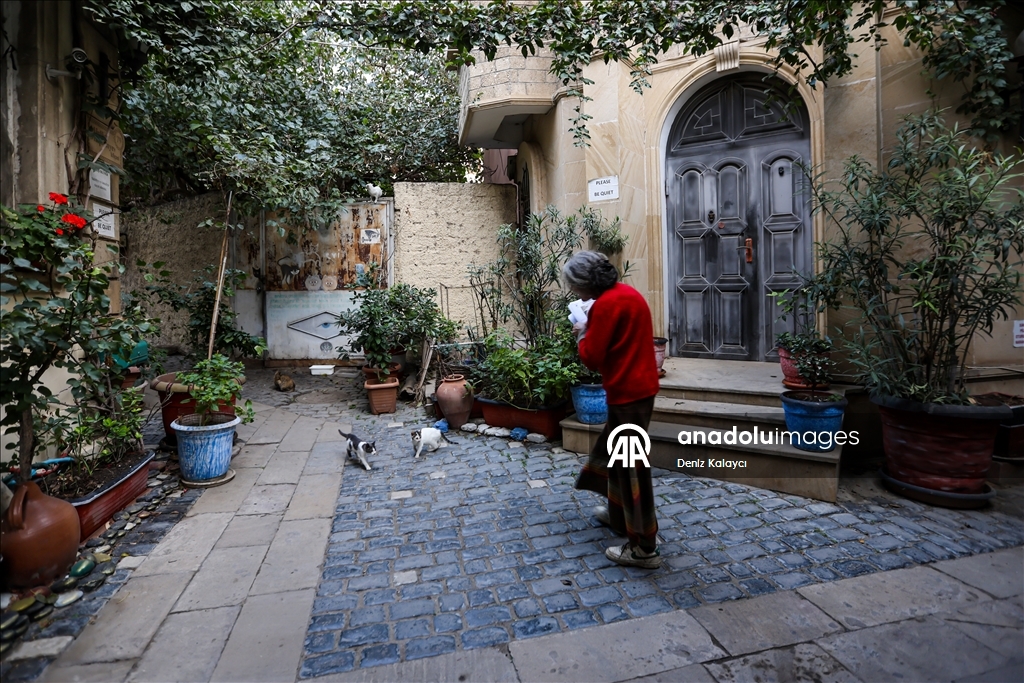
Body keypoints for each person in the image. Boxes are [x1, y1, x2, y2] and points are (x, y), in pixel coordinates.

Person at [563, 250, 662, 569]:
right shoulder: (628, 294)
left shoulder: (604, 306)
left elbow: (592, 356)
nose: (573, 293)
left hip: (627, 393)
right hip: (639, 389)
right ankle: (618, 514)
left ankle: (644, 547)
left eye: (573, 286)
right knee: (614, 453)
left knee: (633, 468)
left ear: (583, 284)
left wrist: (582, 332)